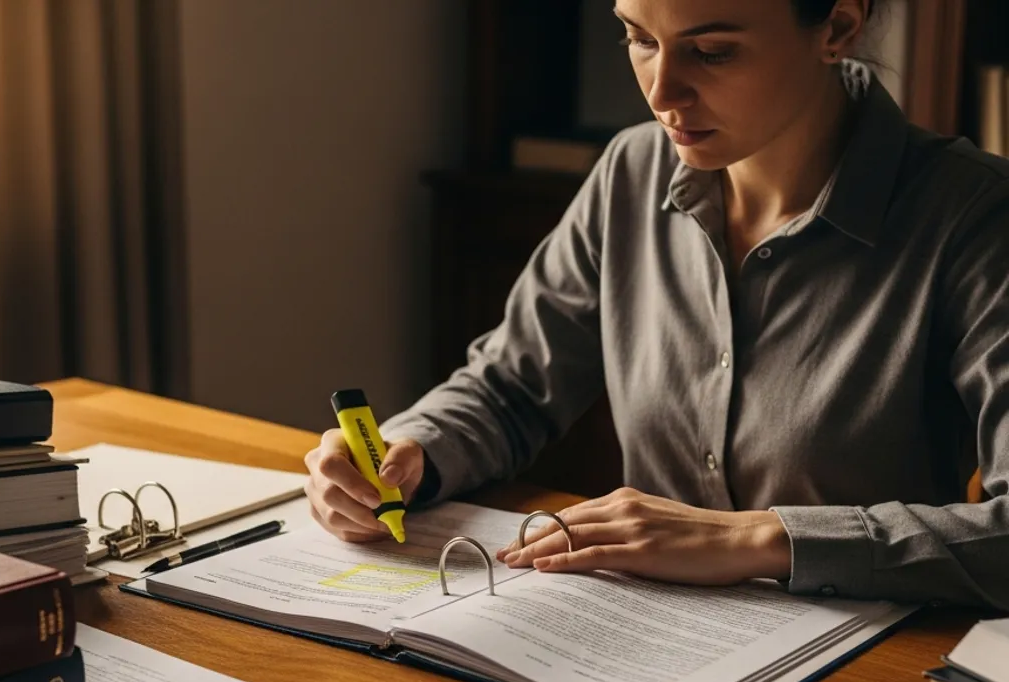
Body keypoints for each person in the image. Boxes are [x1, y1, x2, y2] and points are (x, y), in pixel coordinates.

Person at [304, 0, 1009, 610]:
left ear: (839, 27)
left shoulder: (975, 218)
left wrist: (759, 538)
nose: (661, 91)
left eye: (710, 51)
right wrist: (409, 452)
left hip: (864, 678)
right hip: (641, 643)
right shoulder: (631, 171)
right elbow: (511, 387)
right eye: (639, 38)